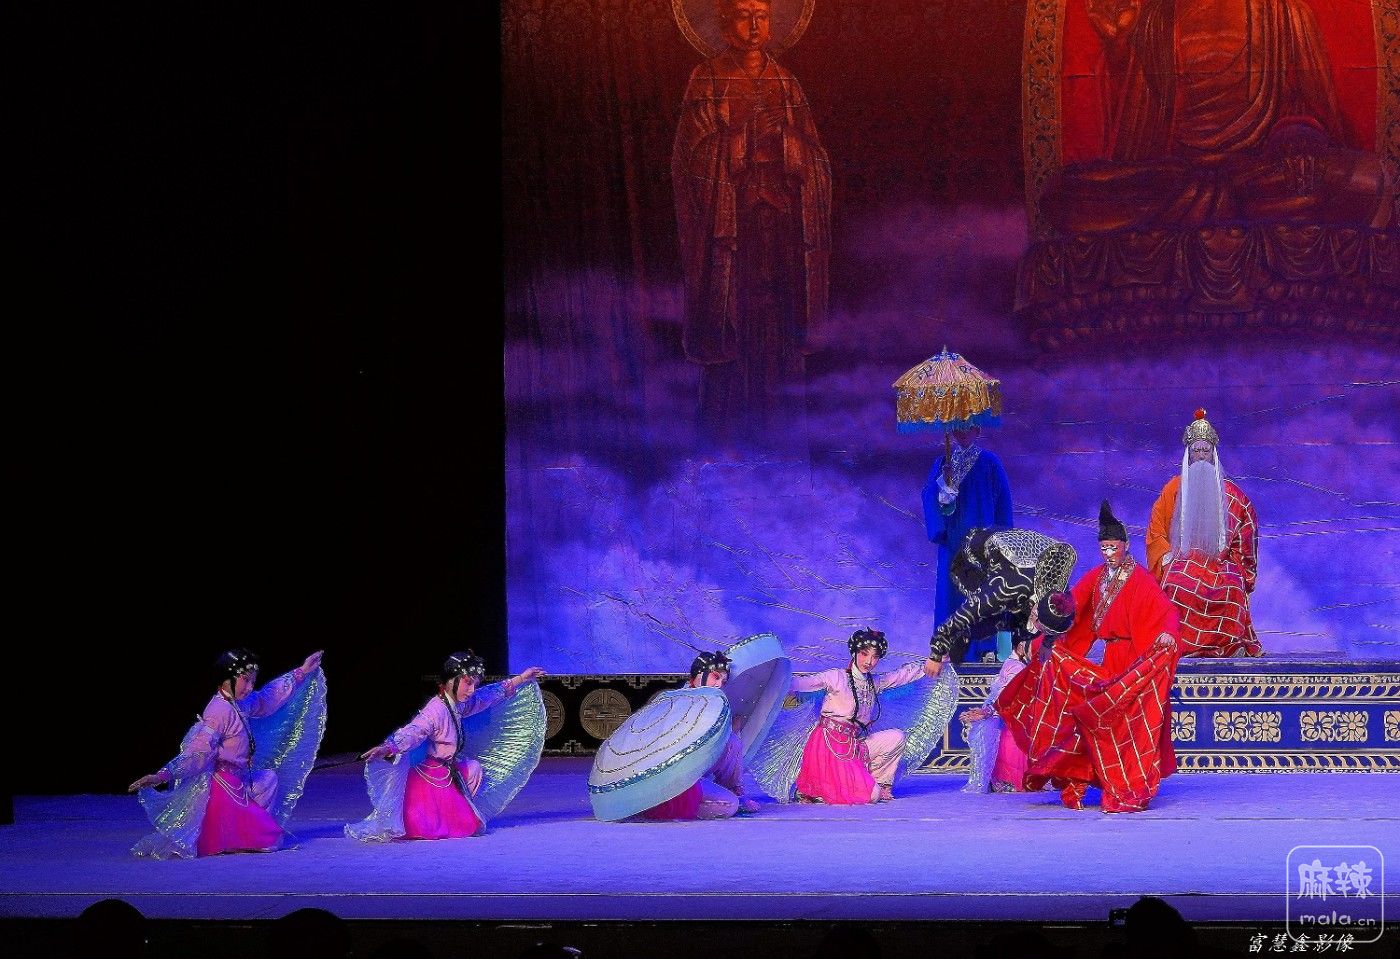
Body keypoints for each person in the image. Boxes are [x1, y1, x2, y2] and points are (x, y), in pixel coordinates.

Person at [1042, 0, 1391, 235]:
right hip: (1180, 179)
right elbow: (1136, 146)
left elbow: (1323, 117)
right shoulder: (1157, 18)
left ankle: (1207, 212)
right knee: (1064, 193)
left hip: (1259, 178)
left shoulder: (1286, 15)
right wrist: (1119, 49)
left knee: (1367, 179)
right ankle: (1220, 209)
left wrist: (1300, 136)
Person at [672, 0, 831, 445]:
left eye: (762, 14)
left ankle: (783, 435)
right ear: (726, 22)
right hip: (732, 231)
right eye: (745, 15)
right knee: (733, 328)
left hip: (780, 232)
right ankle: (727, 441)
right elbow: (692, 157)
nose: (755, 25)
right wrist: (742, 140)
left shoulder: (786, 81)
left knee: (778, 331)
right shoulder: (707, 78)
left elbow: (817, 161)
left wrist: (787, 142)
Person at [997, 501, 1181, 812]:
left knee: (1125, 726)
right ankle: (1079, 782)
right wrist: (1046, 622)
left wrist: (1168, 632)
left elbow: (1166, 610)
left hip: (1132, 660)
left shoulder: (1140, 578)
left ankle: (1125, 783)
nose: (1109, 553)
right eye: (1104, 547)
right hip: (1109, 659)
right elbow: (1071, 606)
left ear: (1125, 545)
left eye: (1113, 547)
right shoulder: (1097, 577)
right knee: (1087, 718)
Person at [129, 648, 326, 858]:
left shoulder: (240, 703)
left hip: (238, 777)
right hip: (222, 784)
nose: (250, 687)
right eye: (245, 680)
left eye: (252, 681)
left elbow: (266, 698)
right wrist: (162, 775)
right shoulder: (218, 711)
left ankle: (246, 831)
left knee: (268, 780)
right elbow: (198, 753)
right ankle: (240, 833)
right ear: (226, 677)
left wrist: (302, 671)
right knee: (269, 839)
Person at [347, 651, 546, 841]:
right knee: (442, 823)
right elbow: (414, 730)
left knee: (474, 769)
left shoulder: (457, 704)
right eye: (468, 683)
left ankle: (455, 808)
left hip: (447, 770)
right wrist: (388, 747)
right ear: (451, 680)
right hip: (432, 775)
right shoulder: (436, 710)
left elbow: (486, 696)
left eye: (474, 684)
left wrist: (521, 678)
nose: (471, 690)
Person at [1146, 409, 1261, 657]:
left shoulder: (1233, 496)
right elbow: (1156, 530)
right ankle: (1177, 645)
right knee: (1175, 585)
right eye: (1196, 450)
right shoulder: (1174, 489)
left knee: (1232, 588)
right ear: (1189, 454)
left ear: (1213, 454)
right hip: (1183, 559)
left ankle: (1228, 647)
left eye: (1205, 451)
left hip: (1222, 562)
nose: (1200, 456)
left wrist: (1239, 570)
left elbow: (1247, 537)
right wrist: (1166, 557)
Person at [784, 629, 941, 804]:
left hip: (854, 744)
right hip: (830, 746)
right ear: (855, 652)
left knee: (896, 737)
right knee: (871, 796)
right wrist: (778, 681)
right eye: (864, 654)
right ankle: (824, 787)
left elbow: (901, 676)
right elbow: (802, 683)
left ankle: (879, 783)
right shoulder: (836, 677)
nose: (869, 661)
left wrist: (933, 662)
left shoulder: (874, 682)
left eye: (875, 657)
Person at [959, 591, 1075, 793]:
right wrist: (988, 711)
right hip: (1017, 734)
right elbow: (1008, 697)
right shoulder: (1016, 668)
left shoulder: (1016, 664)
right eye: (1032, 646)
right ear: (1022, 646)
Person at [922, 427, 1014, 662]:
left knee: (983, 591)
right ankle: (949, 645)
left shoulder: (990, 462)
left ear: (978, 429)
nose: (962, 431)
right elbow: (929, 495)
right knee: (951, 590)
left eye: (968, 425)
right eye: (957, 426)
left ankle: (985, 647)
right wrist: (942, 495)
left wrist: (1004, 539)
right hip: (953, 539)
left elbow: (1003, 501)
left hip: (983, 540)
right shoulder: (943, 462)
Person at [928, 526, 1077, 664]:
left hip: (1019, 562)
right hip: (975, 557)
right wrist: (936, 654)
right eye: (1045, 629)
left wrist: (1047, 644)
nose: (1045, 633)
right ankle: (964, 638)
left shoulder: (1059, 595)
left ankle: (1017, 645)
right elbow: (966, 613)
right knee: (989, 619)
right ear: (1035, 613)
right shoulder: (1005, 588)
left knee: (1027, 629)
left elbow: (1057, 623)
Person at [641, 651, 761, 819]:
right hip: (671, 777)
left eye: (723, 681)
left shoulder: (714, 704)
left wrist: (730, 729)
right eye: (715, 677)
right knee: (728, 805)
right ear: (698, 674)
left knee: (731, 742)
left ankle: (732, 790)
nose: (718, 685)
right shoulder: (676, 701)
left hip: (695, 775)